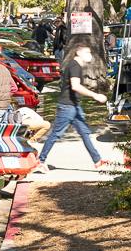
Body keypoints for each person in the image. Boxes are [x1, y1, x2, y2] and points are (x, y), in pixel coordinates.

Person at [36, 41, 110, 174]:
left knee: (85, 133)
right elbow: (75, 86)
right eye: (87, 53)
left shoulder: (75, 66)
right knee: (55, 134)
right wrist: (95, 96)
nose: (90, 56)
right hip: (67, 106)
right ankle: (40, 161)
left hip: (74, 106)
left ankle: (97, 160)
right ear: (79, 53)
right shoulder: (75, 66)